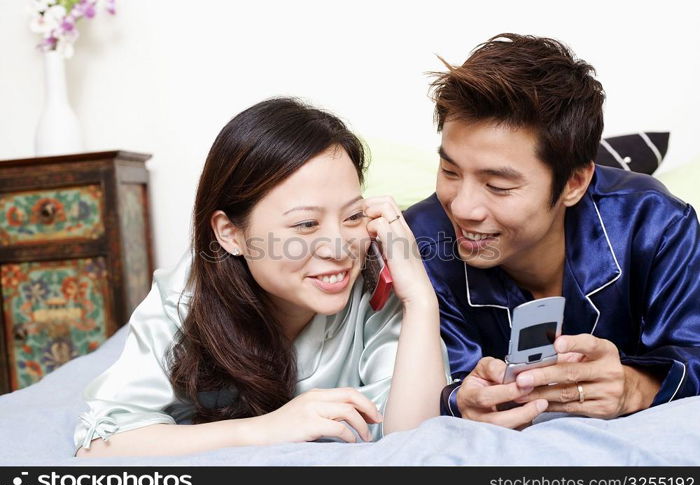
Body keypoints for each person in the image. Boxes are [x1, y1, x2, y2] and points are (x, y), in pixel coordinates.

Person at [74, 97, 450, 457]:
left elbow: (416, 439)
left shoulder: (377, 286)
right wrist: (264, 429)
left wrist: (420, 295)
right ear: (230, 233)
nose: (339, 248)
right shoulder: (186, 295)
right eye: (306, 224)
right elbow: (101, 446)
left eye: (352, 216)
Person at [404, 33, 700, 429]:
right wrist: (458, 401)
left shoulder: (655, 224)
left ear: (575, 182)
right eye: (450, 171)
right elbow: (429, 382)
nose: (462, 207)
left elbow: (693, 348)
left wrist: (636, 386)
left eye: (498, 186)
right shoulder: (421, 242)